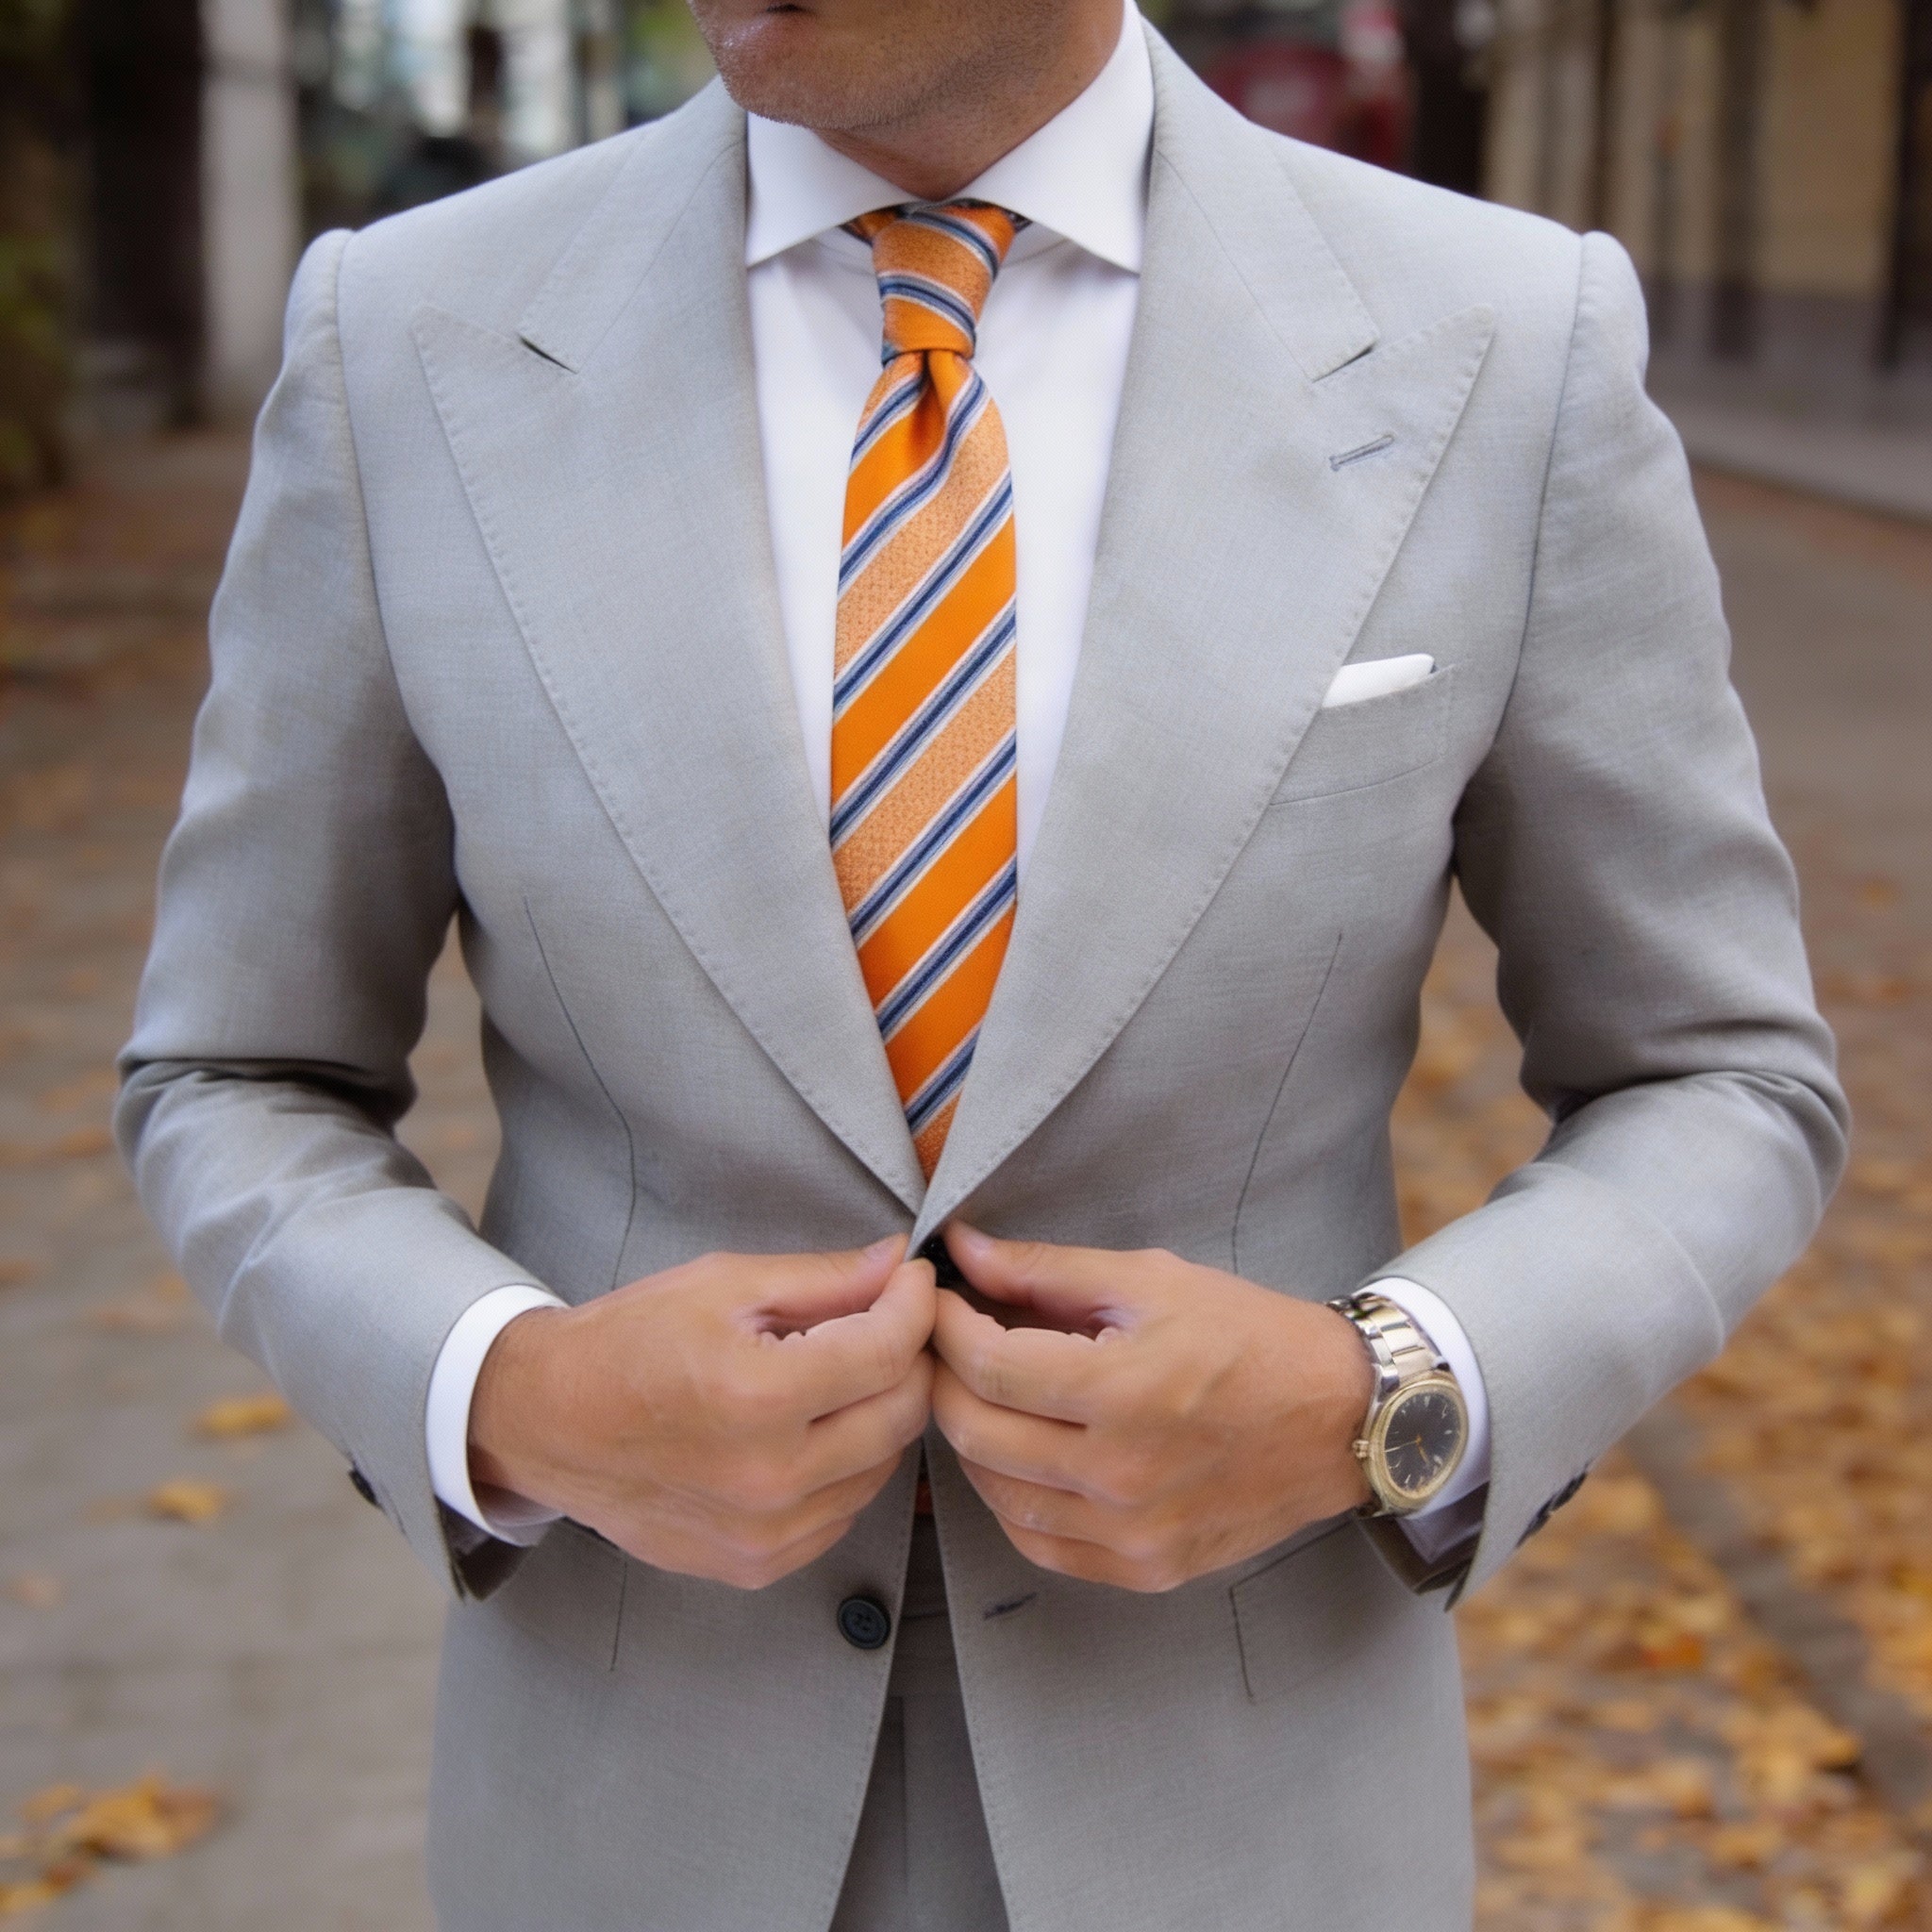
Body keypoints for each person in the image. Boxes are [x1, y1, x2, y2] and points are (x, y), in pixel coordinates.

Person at [117, 1, 1847, 1926]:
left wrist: (1382, 1395)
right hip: (629, 1809)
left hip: (1246, 1812)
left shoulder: (1502, 343)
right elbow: (236, 1068)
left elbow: (1716, 1075)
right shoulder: (405, 339)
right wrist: (506, 1393)